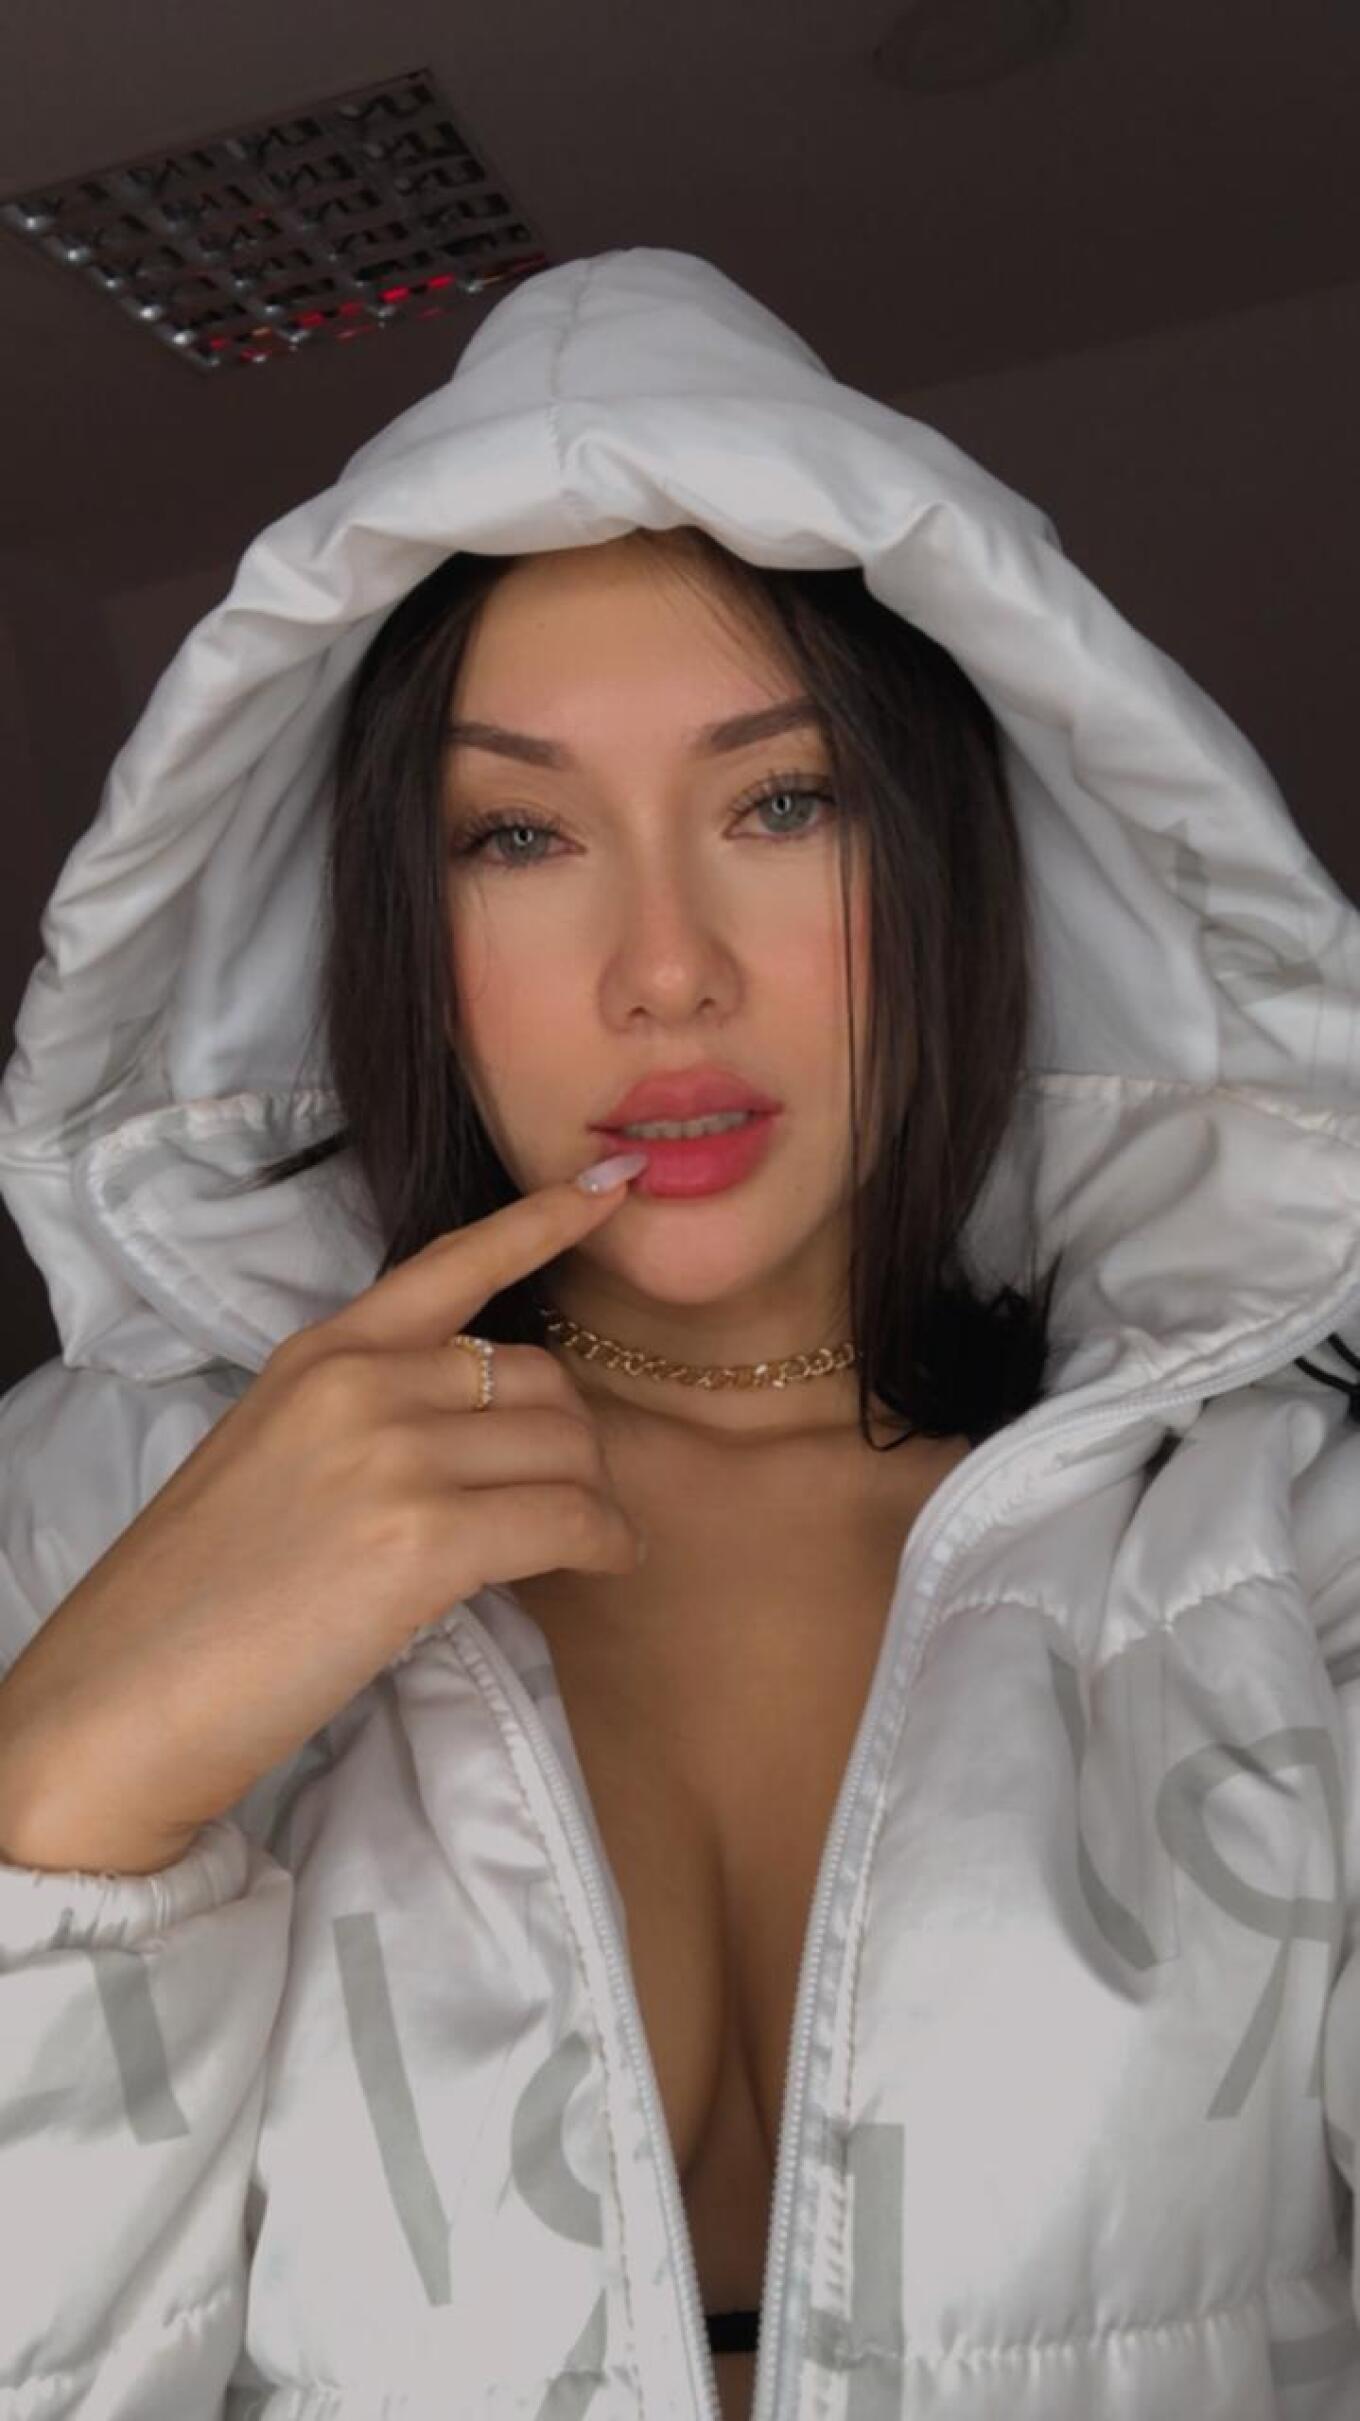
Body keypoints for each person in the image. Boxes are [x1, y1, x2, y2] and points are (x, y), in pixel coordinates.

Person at [0, 245, 1358, 2421]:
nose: (662, 968)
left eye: (780, 802)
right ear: (399, 924)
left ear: (947, 860)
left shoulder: (1272, 1538)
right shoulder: (85, 1508)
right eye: (518, 832)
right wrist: (64, 1794)